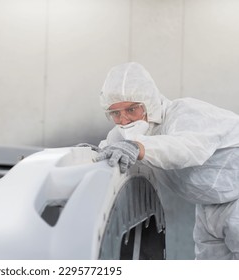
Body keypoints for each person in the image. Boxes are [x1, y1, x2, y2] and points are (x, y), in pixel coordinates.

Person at [86, 62, 239, 260]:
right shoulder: (129, 134)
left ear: (148, 103)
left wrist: (139, 148)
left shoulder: (183, 113)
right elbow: (108, 150)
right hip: (208, 206)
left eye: (132, 109)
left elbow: (186, 148)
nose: (124, 120)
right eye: (115, 113)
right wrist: (87, 155)